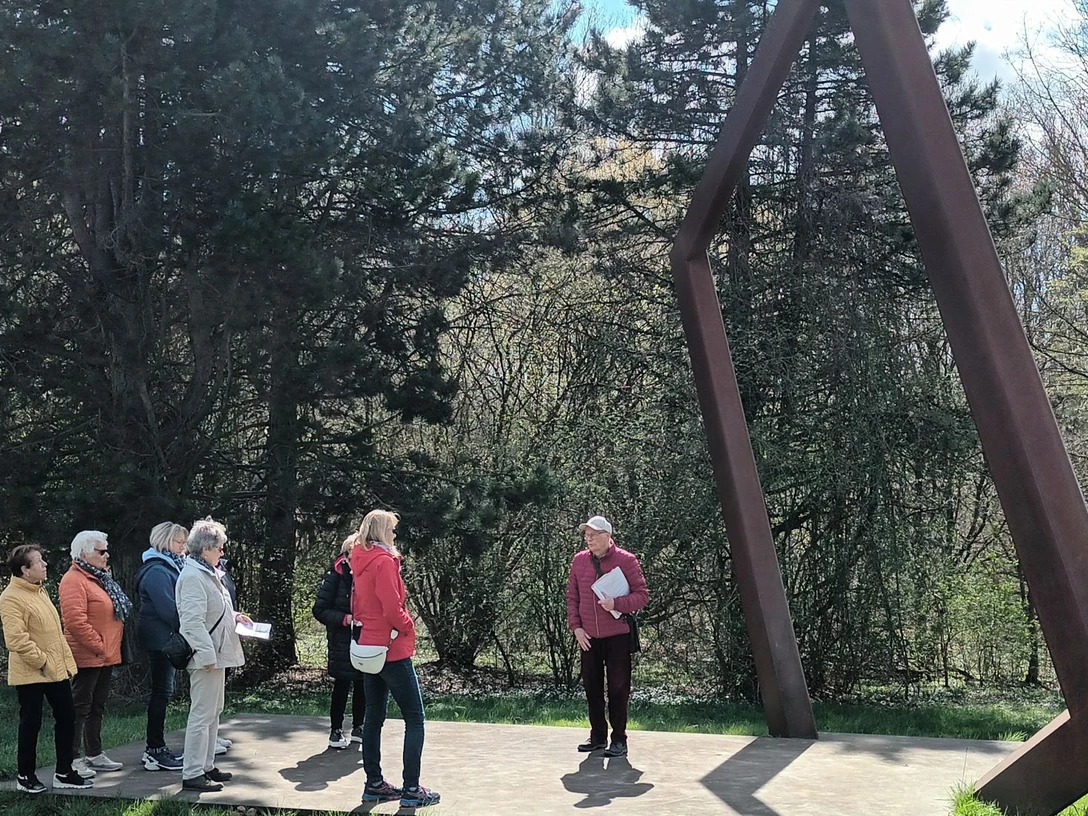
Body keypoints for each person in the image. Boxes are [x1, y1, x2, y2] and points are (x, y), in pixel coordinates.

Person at [351, 510, 440, 809]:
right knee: (415, 719)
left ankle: (373, 784)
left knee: (373, 716)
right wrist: (408, 624)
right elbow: (391, 606)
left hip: (369, 648)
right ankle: (412, 789)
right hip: (391, 648)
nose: (395, 534)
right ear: (380, 531)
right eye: (392, 529)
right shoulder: (384, 562)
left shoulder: (359, 560)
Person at [1, 544, 92, 793]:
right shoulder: (11, 597)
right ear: (25, 570)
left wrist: (63, 663)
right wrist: (41, 661)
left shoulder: (39, 591)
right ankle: (25, 776)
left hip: (54, 670)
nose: (45, 565)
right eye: (39, 562)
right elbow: (16, 639)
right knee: (31, 722)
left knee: (67, 716)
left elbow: (54, 634)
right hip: (32, 672)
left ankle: (64, 771)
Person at [175, 518, 250, 792]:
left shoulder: (208, 573)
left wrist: (235, 616)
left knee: (214, 711)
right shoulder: (194, 576)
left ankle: (206, 766)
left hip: (216, 654)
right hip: (206, 657)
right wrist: (207, 656)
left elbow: (213, 612)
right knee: (201, 714)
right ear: (205, 548)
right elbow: (192, 622)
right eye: (219, 547)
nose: (222, 552)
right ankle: (192, 772)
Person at [566, 515, 649, 758]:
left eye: (593, 534)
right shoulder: (579, 561)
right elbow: (572, 598)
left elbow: (642, 596)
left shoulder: (627, 560)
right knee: (592, 687)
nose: (588, 539)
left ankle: (619, 739)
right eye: (586, 535)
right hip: (588, 636)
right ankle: (598, 736)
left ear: (607, 536)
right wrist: (577, 628)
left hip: (617, 636)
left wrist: (617, 603)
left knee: (618, 688)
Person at [59, 530, 132, 778]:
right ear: (83, 554)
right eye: (101, 551)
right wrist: (100, 646)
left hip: (105, 655)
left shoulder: (99, 578)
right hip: (88, 654)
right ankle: (71, 758)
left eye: (106, 550)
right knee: (79, 707)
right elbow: (75, 622)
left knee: (97, 706)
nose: (106, 555)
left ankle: (95, 753)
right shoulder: (74, 580)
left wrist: (108, 649)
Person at [133, 522, 189, 771]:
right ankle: (154, 749)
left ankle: (157, 747)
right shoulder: (156, 570)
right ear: (164, 541)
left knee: (164, 691)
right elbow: (169, 609)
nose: (183, 547)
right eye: (179, 542)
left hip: (165, 637)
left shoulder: (169, 566)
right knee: (161, 692)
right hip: (159, 639)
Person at [312, 536, 366, 749]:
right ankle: (335, 730)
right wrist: (345, 619)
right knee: (342, 683)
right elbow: (319, 610)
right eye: (354, 557)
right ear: (345, 556)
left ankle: (359, 727)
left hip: (364, 638)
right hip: (341, 638)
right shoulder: (334, 576)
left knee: (363, 683)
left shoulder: (368, 574)